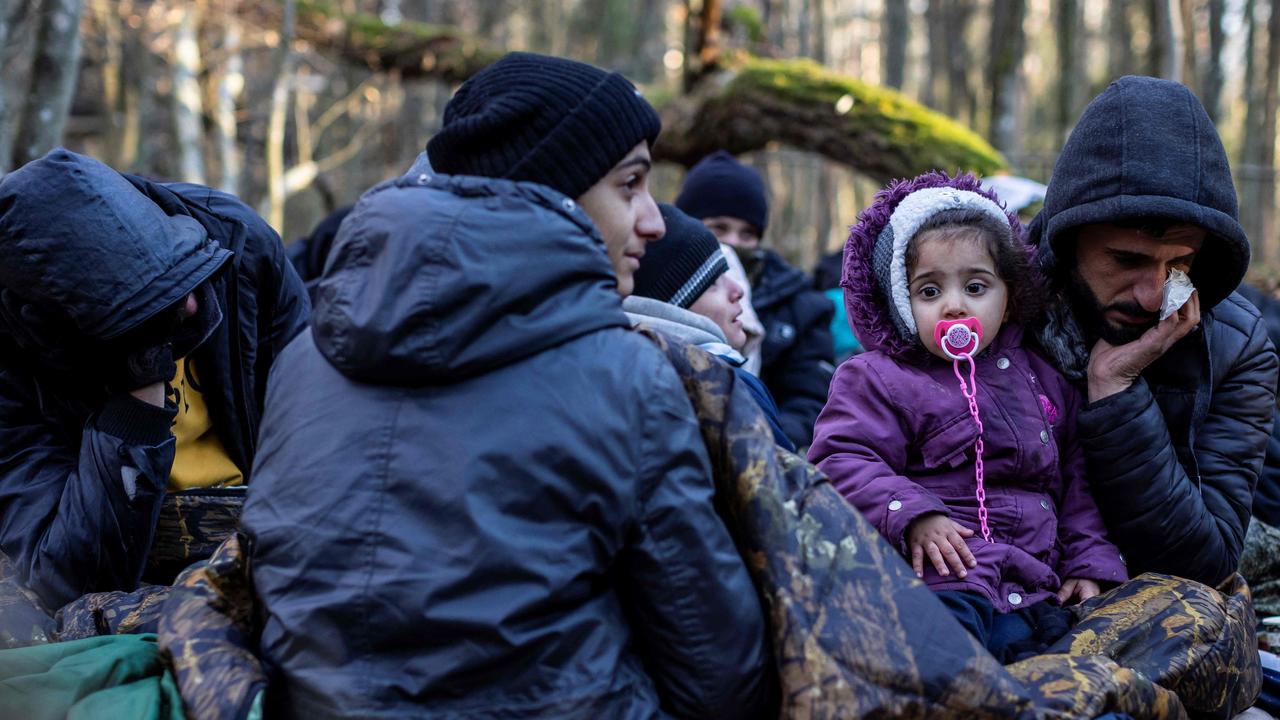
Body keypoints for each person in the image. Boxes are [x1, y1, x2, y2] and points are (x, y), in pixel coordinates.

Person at [240, 52, 775, 719]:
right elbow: (716, 667)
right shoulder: (627, 374)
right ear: (555, 189)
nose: (655, 221)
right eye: (630, 185)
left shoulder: (302, 355)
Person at [808, 172, 1127, 660]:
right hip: (942, 583)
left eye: (976, 286)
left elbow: (1077, 485)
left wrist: (1088, 561)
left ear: (1010, 293)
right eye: (929, 292)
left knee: (1074, 670)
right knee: (946, 671)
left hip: (1035, 587)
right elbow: (841, 457)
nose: (955, 306)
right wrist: (910, 513)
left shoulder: (1044, 379)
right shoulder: (878, 378)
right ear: (900, 300)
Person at [0, 148, 309, 610]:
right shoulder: (12, 360)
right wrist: (138, 392)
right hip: (141, 578)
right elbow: (69, 575)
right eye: (149, 301)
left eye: (182, 275)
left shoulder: (234, 247)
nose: (190, 307)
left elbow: (322, 434)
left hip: (278, 535)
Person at [1030, 76, 1278, 586]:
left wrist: (1117, 395)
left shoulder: (1236, 345)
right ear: (1069, 240)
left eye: (1180, 262)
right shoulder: (991, 307)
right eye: (1126, 259)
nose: (1152, 294)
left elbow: (1204, 565)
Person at [676, 151, 834, 449]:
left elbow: (812, 401)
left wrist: (758, 439)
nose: (733, 243)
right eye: (719, 228)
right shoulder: (659, 287)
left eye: (747, 233)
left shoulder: (801, 305)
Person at [627, 203, 795, 451]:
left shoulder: (627, 376)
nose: (737, 291)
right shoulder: (730, 388)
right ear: (673, 308)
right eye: (713, 282)